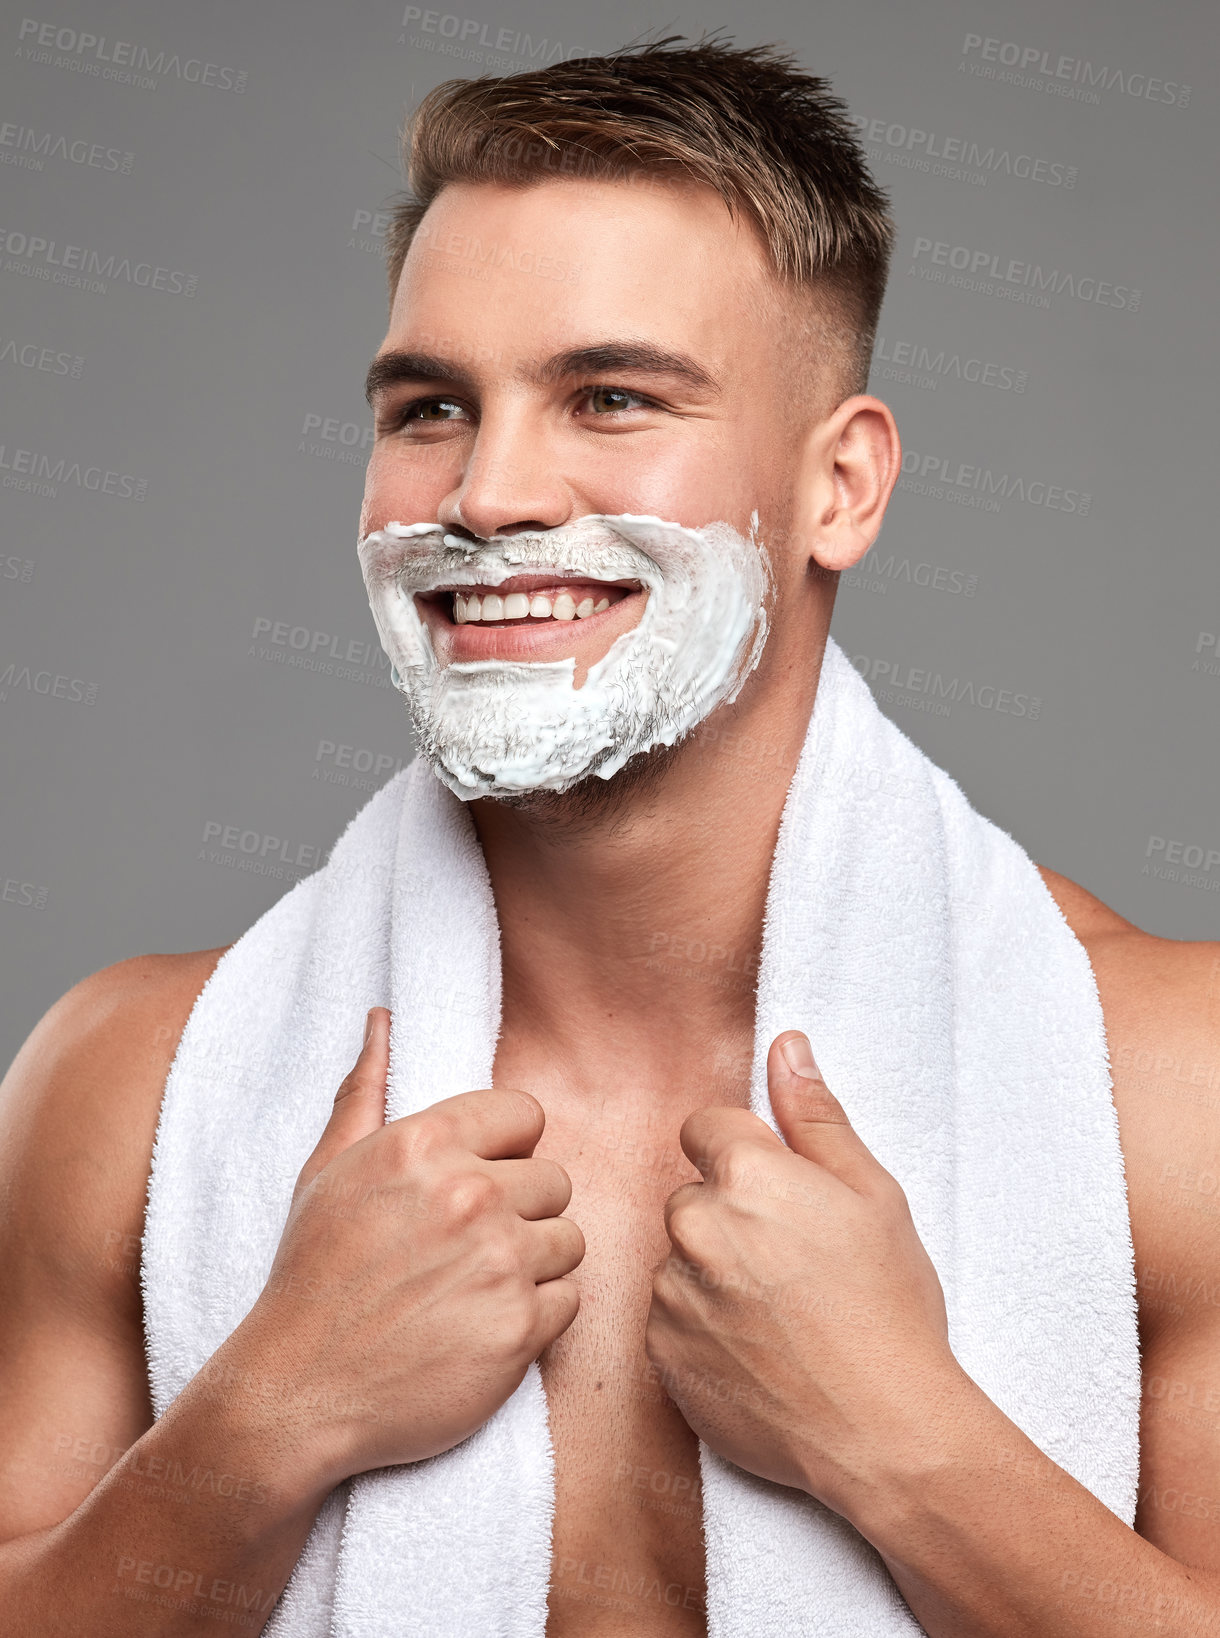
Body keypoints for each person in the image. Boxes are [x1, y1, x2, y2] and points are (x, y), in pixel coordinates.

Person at [1, 36, 1217, 1638]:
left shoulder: (1169, 1084)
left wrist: (909, 1442)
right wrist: (264, 1418)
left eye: (613, 396)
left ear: (839, 485)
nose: (490, 492)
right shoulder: (128, 1086)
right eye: (431, 407)